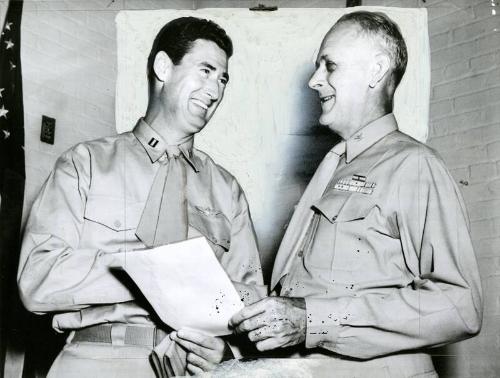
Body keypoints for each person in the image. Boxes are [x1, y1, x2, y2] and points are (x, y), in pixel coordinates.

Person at [230, 11, 482, 377]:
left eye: (329, 66)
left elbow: (461, 306)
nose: (315, 81)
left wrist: (313, 319)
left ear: (376, 71)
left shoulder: (413, 165)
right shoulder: (334, 166)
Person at [18, 17, 263, 378]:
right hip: (98, 357)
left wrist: (226, 351)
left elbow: (252, 299)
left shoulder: (227, 190)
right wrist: (145, 272)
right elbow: (37, 278)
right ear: (164, 67)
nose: (215, 90)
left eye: (223, 79)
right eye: (206, 71)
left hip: (194, 367)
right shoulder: (86, 163)